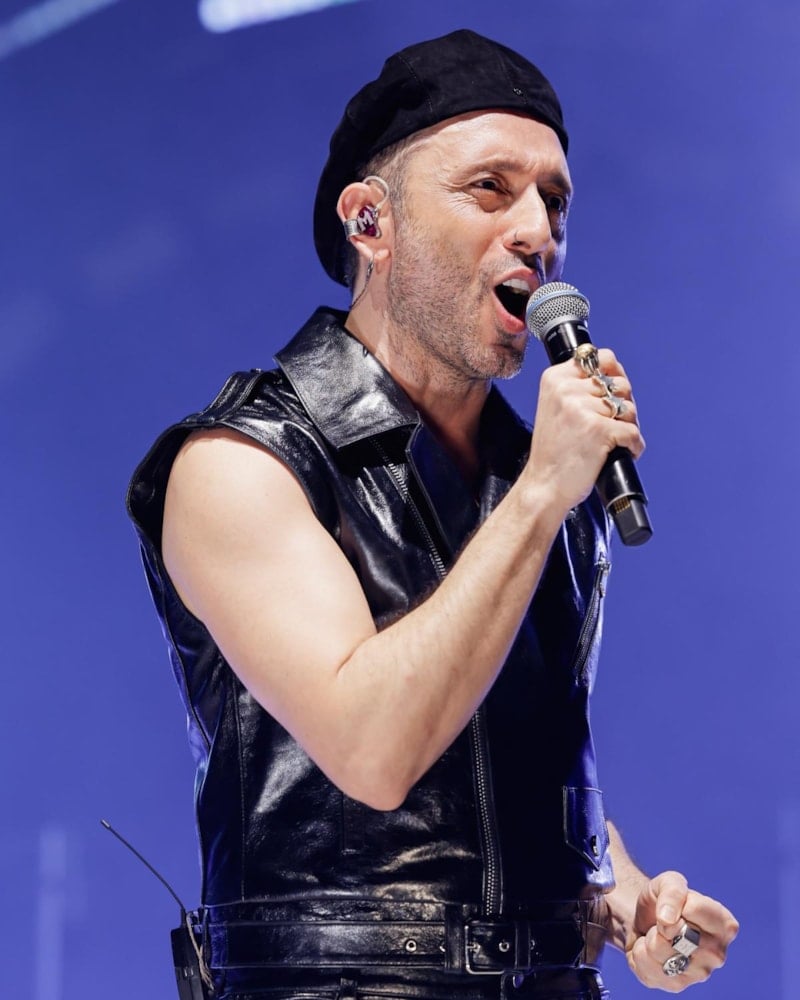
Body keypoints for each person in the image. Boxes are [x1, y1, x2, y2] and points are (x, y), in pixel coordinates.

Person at [127, 28, 738, 1000]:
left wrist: (623, 896)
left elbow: (502, 760)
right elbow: (373, 750)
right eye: (489, 189)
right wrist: (541, 494)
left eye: (553, 200)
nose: (536, 230)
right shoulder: (243, 462)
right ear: (370, 222)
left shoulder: (534, 476)